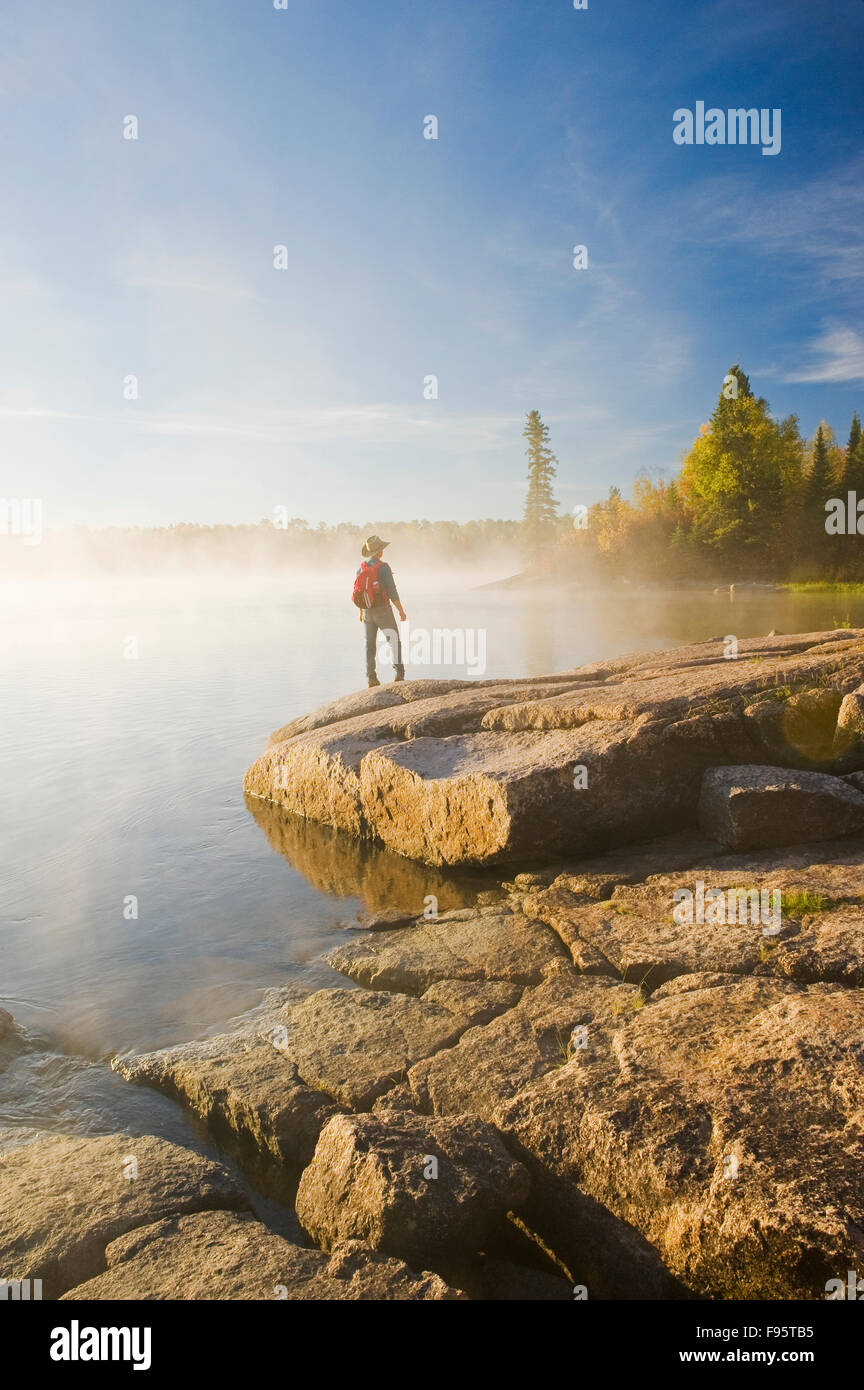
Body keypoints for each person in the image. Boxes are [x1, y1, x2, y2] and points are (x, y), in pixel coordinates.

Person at [355, 535, 406, 687]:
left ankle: (371, 678)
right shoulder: (384, 567)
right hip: (382, 610)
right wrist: (401, 612)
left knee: (369, 645)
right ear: (380, 552)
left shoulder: (360, 569)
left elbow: (359, 592)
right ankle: (399, 675)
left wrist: (361, 613)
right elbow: (392, 591)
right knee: (394, 641)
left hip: (366, 612)